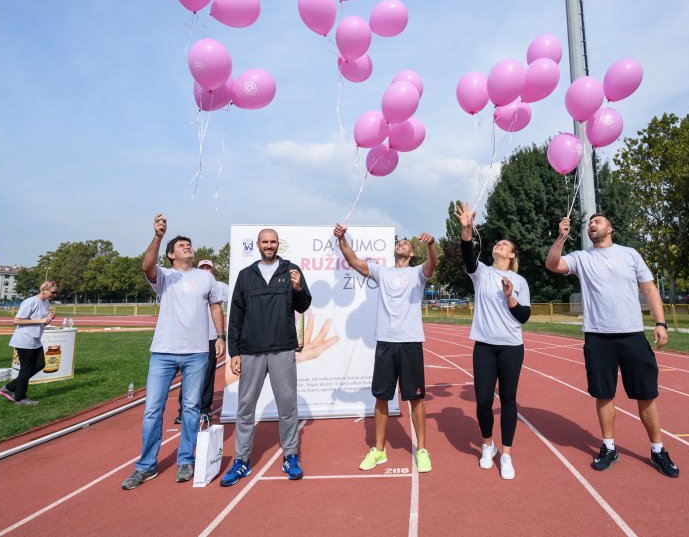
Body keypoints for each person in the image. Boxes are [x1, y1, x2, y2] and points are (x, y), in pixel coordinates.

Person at [545, 213, 680, 478]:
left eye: (598, 221)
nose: (592, 224)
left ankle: (657, 449)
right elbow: (552, 264)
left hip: (632, 335)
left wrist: (661, 323)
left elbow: (650, 289)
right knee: (603, 394)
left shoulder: (630, 254)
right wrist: (561, 237)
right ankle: (609, 447)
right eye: (590, 223)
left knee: (646, 394)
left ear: (611, 228)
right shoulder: (582, 258)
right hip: (597, 336)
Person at [121, 214, 225, 490]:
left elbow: (216, 307)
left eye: (189, 244)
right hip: (163, 352)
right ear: (171, 254)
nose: (187, 247)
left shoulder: (205, 278)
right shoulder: (165, 276)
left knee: (191, 409)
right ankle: (146, 466)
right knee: (153, 410)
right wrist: (158, 235)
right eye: (181, 245)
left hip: (197, 353)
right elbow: (146, 265)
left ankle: (185, 460)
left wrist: (220, 337)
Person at [334, 224, 438, 473]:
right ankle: (379, 451)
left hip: (410, 342)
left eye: (406, 244)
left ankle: (422, 449)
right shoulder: (382, 272)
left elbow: (432, 264)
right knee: (381, 396)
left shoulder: (417, 274)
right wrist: (341, 239)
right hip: (385, 342)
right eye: (399, 242)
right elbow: (352, 260)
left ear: (411, 253)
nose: (401, 244)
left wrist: (431, 244)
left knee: (415, 398)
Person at [221, 228, 312, 486]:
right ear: (258, 245)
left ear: (277, 244)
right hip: (251, 351)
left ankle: (291, 455)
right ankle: (242, 460)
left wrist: (297, 288)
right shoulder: (245, 275)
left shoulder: (291, 270)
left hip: (283, 349)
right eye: (265, 242)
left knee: (287, 406)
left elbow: (303, 305)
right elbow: (236, 316)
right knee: (245, 408)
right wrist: (234, 352)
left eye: (273, 242)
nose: (269, 246)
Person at [455, 202, 531, 480]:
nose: (500, 244)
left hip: (511, 347)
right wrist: (466, 228)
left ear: (511, 255)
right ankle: (488, 445)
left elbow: (523, 316)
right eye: (498, 242)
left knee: (509, 400)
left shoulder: (520, 281)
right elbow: (466, 255)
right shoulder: (482, 273)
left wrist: (511, 295)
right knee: (484, 400)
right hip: (484, 346)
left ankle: (507, 455)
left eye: (505, 244)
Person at [175, 259, 228, 424]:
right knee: (188, 375)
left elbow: (236, 301)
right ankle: (183, 411)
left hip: (211, 336)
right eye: (202, 267)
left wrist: (222, 335)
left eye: (208, 267)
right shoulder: (189, 283)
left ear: (213, 270)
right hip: (191, 337)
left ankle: (204, 409)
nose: (206, 270)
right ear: (197, 269)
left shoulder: (221, 286)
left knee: (207, 376)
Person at [0, 281, 58, 406]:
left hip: (35, 340)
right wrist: (41, 320)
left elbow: (41, 322)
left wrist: (48, 319)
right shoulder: (30, 302)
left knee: (40, 364)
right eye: (53, 292)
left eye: (56, 293)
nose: (55, 295)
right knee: (26, 369)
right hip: (24, 340)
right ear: (44, 290)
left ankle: (9, 387)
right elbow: (17, 320)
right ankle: (20, 398)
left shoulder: (46, 302)